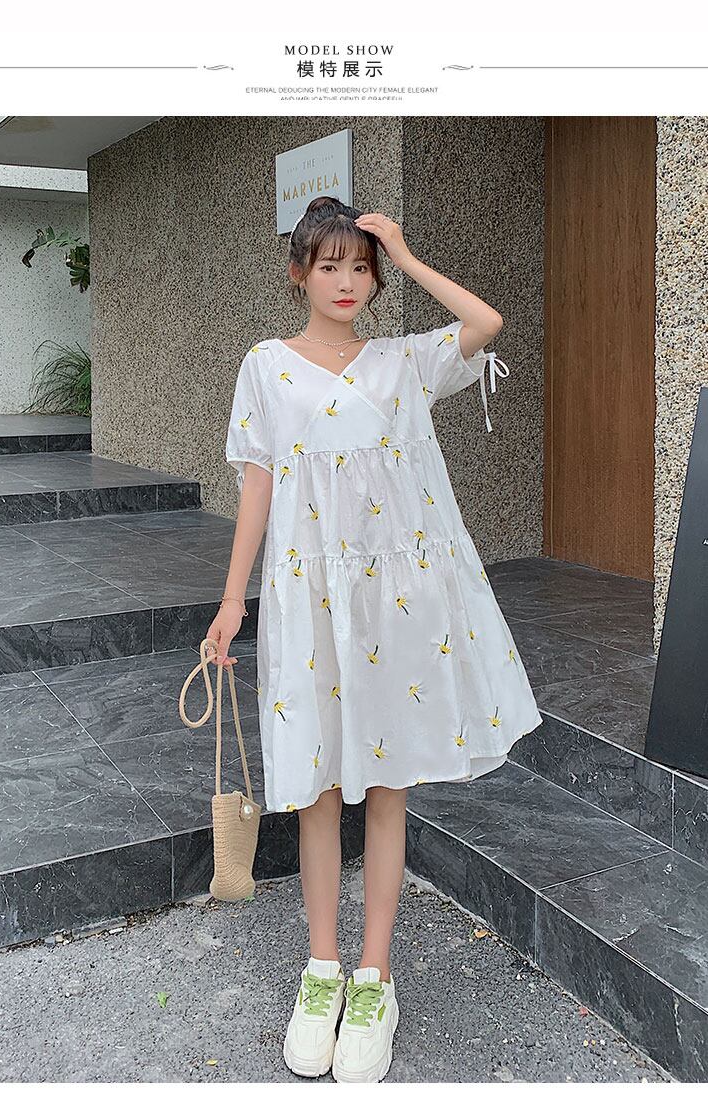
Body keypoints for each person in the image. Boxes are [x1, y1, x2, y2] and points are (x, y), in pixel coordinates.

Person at [208, 196, 543, 1083]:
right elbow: (256, 485)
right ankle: (321, 968)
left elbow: (486, 323)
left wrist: (403, 246)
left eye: (361, 267)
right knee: (318, 789)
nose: (348, 282)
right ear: (298, 275)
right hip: (307, 603)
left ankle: (375, 975)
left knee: (387, 789)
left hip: (393, 607)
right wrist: (232, 601)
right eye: (330, 266)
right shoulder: (266, 367)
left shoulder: (401, 363)